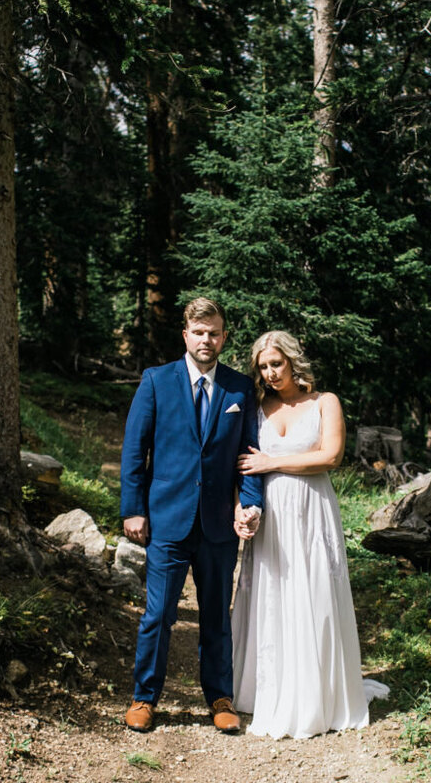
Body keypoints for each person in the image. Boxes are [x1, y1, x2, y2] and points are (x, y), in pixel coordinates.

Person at [231, 330, 386, 739]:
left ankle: (317, 694)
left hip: (312, 510)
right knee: (273, 593)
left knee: (312, 590)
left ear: (293, 361)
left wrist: (272, 463)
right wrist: (242, 507)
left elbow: (330, 456)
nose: (269, 373)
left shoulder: (325, 402)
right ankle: (268, 688)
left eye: (276, 364)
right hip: (274, 515)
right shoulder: (257, 406)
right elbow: (245, 465)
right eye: (263, 367)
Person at [120, 297, 264, 734]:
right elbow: (134, 450)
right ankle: (144, 697)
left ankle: (220, 697)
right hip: (166, 520)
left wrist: (250, 502)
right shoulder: (156, 381)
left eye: (214, 332)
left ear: (224, 337)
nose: (207, 339)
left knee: (217, 616)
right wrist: (133, 509)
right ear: (186, 335)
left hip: (219, 523)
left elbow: (250, 454)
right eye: (199, 332)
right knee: (158, 614)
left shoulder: (241, 390)